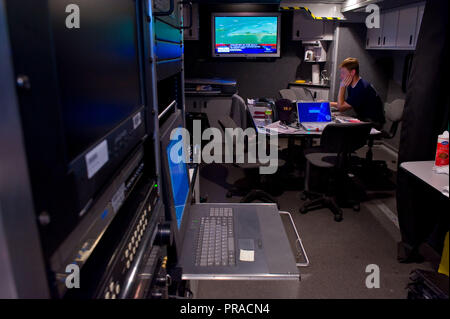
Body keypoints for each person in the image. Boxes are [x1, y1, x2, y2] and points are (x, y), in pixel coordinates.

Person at [330, 57, 385, 130]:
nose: (341, 76)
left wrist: (342, 87)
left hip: (373, 122)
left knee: (339, 128)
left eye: (343, 73)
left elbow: (341, 107)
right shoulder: (353, 85)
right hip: (364, 118)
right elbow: (345, 104)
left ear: (352, 72)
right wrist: (328, 103)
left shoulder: (361, 88)